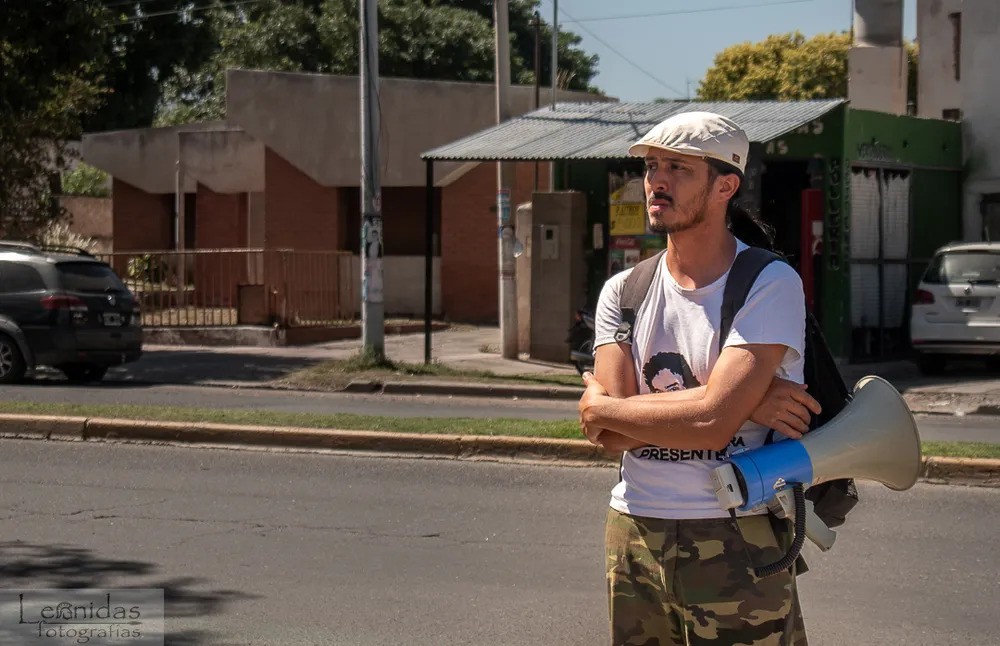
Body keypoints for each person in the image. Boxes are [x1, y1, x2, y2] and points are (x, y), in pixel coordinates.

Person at [578, 111, 821, 646]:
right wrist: (741, 402)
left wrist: (610, 409)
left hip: (737, 533)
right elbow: (609, 437)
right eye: (652, 167)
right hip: (634, 529)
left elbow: (709, 424)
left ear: (725, 186)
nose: (656, 181)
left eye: (678, 169)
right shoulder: (624, 291)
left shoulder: (768, 281)